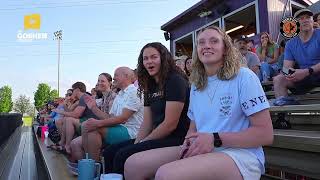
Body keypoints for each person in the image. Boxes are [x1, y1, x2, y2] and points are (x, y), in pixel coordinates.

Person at [124, 26, 273, 180]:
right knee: (133, 164)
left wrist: (215, 138)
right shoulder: (196, 84)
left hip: (239, 154)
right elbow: (193, 129)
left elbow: (265, 134)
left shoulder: (244, 77)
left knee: (166, 174)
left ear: (225, 48)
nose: (206, 45)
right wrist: (187, 143)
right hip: (202, 149)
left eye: (214, 41)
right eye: (201, 42)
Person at [102, 42, 190, 175]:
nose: (149, 61)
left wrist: (142, 143)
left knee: (122, 156)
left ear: (163, 58)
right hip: (157, 135)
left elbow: (170, 124)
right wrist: (137, 143)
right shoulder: (150, 85)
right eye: (145, 58)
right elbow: (147, 123)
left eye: (154, 57)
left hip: (176, 138)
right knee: (110, 152)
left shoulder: (175, 80)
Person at [70, 67, 144, 163]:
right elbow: (110, 118)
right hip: (118, 128)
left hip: (131, 132)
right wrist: (94, 108)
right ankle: (92, 166)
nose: (114, 78)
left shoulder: (134, 92)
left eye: (116, 75)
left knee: (92, 127)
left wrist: (97, 123)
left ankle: (93, 167)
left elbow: (123, 119)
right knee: (88, 126)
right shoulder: (120, 95)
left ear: (126, 76)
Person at [273, 9, 320, 106]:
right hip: (305, 77)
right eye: (301, 18)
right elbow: (286, 68)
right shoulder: (290, 44)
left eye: (308, 17)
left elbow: (306, 72)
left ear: (313, 21)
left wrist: (306, 71)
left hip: (313, 72)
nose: (305, 20)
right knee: (279, 79)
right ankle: (283, 118)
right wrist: (290, 73)